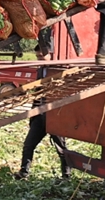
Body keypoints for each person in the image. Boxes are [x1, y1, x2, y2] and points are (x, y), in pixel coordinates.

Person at [14, 30, 71, 180]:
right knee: (29, 144)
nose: (39, 59)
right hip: (39, 113)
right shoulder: (40, 70)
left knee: (61, 147)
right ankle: (24, 172)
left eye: (41, 56)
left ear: (50, 54)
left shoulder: (58, 70)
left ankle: (66, 175)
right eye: (37, 57)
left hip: (54, 114)